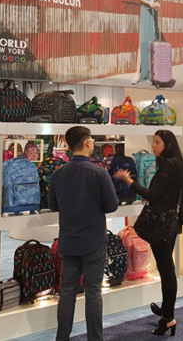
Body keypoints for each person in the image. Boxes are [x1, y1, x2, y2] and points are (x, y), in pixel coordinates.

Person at [114, 130, 183, 336]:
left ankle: (168, 318)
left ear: (168, 144)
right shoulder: (176, 163)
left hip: (162, 224)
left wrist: (128, 181)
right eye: (153, 142)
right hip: (170, 222)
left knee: (166, 270)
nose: (153, 145)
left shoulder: (168, 165)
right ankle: (166, 312)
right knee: (167, 268)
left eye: (157, 142)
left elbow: (152, 194)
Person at [48, 126, 119, 341]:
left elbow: (52, 205)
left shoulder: (58, 174)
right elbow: (112, 205)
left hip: (68, 240)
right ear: (88, 143)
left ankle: (62, 337)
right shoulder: (99, 173)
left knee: (67, 292)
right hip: (93, 241)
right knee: (93, 292)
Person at [132, 0, 160, 85]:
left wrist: (157, 3)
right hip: (145, 10)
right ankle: (137, 73)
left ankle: (151, 74)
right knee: (142, 42)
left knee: (151, 44)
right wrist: (150, 3)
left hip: (154, 13)